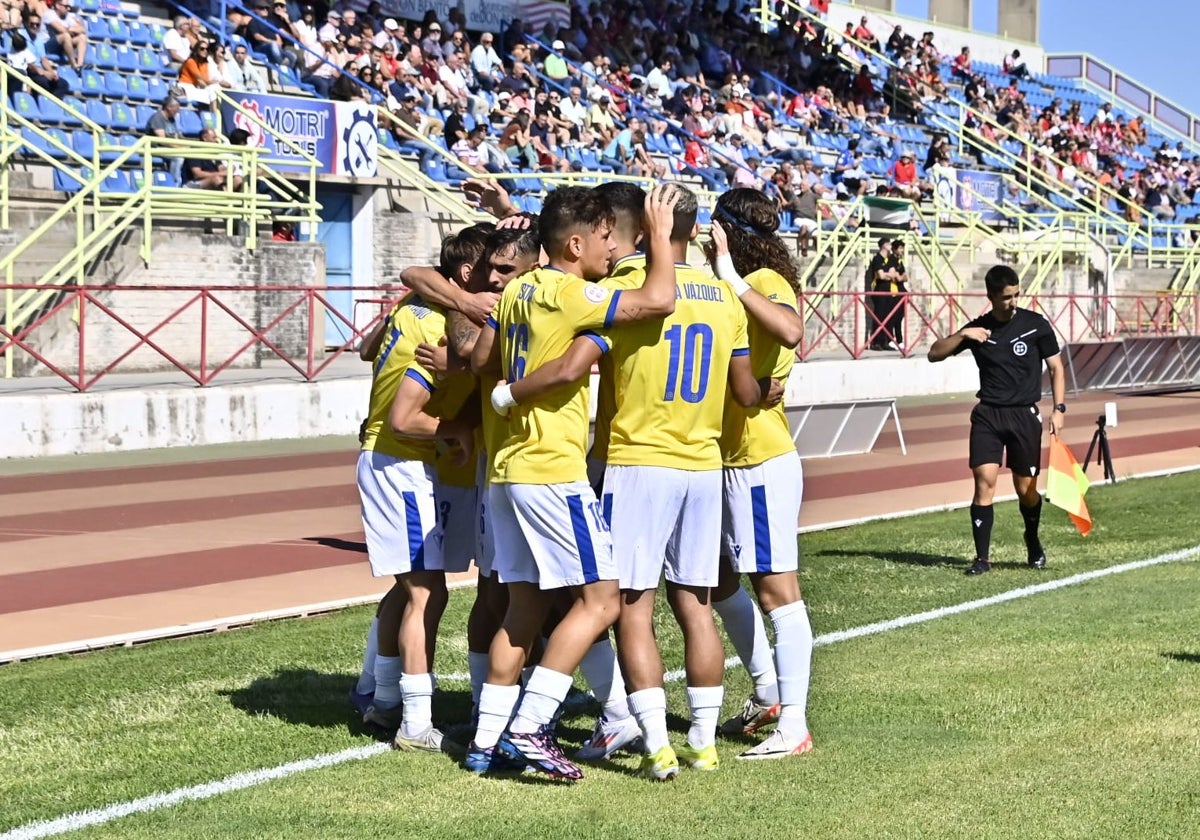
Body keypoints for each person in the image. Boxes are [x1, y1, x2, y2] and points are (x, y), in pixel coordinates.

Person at [494, 185, 762, 778]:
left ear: (640, 229)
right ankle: (703, 740)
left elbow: (567, 337)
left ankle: (654, 743)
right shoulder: (724, 297)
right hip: (703, 461)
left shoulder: (620, 289)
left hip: (637, 459)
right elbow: (746, 391)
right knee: (697, 604)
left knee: (631, 607)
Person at [465, 185, 681, 781]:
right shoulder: (567, 293)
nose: (615, 249)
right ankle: (533, 728)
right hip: (549, 469)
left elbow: (485, 359)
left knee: (527, 604)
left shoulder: (518, 289)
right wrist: (658, 234)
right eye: (608, 239)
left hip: (507, 469)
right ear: (576, 244)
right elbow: (659, 298)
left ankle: (487, 743)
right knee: (602, 599)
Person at [355, 226, 485, 750]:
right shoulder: (440, 330)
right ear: (466, 276)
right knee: (426, 594)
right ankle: (414, 723)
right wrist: (461, 430)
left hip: (396, 461)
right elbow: (405, 421)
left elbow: (367, 351)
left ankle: (383, 697)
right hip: (401, 462)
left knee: (410, 587)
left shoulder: (410, 307)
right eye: (494, 275)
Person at [704, 188, 813, 760]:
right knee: (714, 578)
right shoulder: (726, 287)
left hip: (759, 461)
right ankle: (768, 688)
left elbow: (792, 331)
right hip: (726, 459)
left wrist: (730, 273)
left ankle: (793, 724)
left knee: (778, 593)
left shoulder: (763, 281)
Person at [927, 265, 1067, 576]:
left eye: (1017, 295)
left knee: (1026, 490)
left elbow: (1057, 368)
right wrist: (963, 334)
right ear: (990, 296)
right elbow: (934, 354)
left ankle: (1032, 539)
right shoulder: (978, 330)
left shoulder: (1036, 325)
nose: (1013, 302)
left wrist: (1059, 409)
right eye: (1006, 297)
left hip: (1023, 415)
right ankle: (982, 559)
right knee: (984, 483)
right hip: (988, 414)